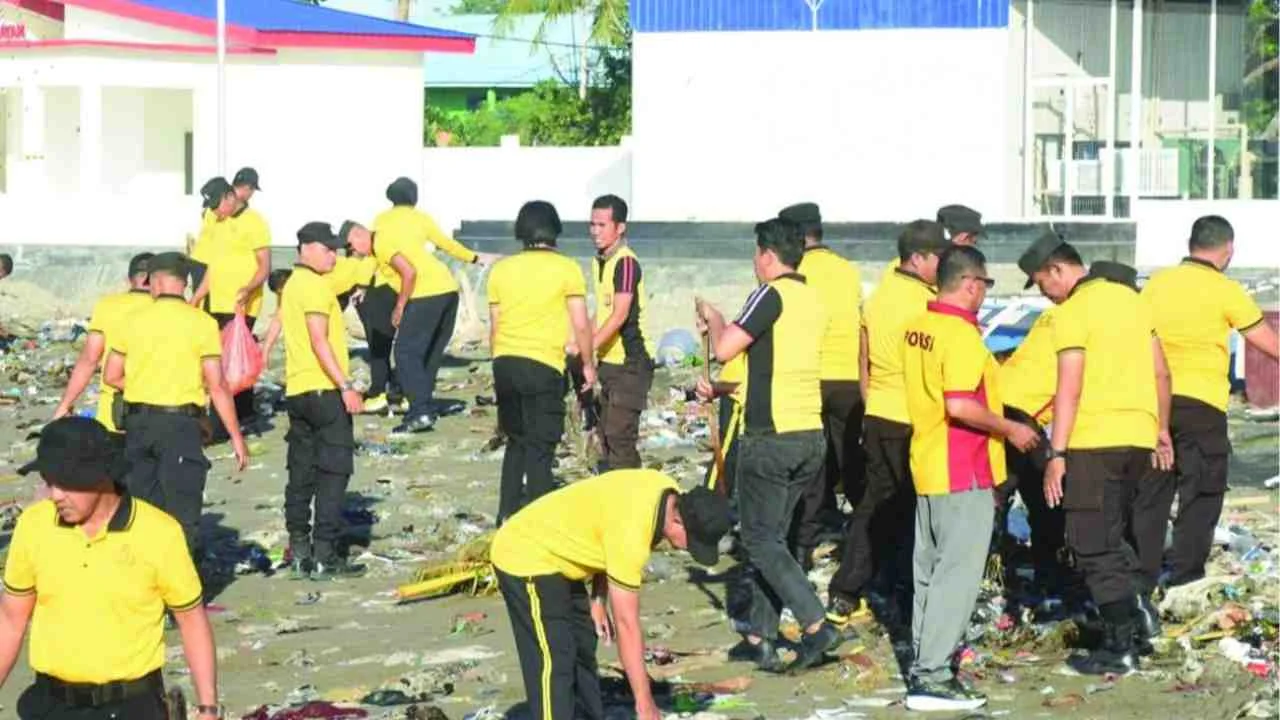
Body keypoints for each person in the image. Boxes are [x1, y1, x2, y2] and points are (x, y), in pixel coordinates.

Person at [0, 417, 220, 720]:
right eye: (50, 482)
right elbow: (10, 621)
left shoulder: (159, 533)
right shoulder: (34, 526)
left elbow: (191, 621)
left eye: (66, 482)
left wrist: (208, 708)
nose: (55, 495)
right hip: (51, 704)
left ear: (101, 476)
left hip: (132, 705)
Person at [696, 217, 840, 672]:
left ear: (766, 255)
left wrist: (716, 320)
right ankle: (760, 634)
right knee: (770, 539)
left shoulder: (770, 293)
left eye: (756, 255)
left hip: (771, 437)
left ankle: (816, 623)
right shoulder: (814, 298)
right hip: (809, 435)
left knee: (758, 540)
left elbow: (725, 350)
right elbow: (768, 365)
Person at [1026, 234, 1173, 675]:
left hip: (1094, 438)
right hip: (1139, 436)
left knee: (1091, 543)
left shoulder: (1073, 312)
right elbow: (1161, 371)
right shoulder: (1133, 302)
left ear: (1057, 270)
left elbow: (1068, 386)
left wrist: (1057, 451)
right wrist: (1162, 429)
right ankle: (1139, 618)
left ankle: (1118, 645)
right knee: (1116, 537)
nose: (1046, 295)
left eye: (1042, 283)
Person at [901, 246, 1040, 711]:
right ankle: (933, 677)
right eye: (985, 285)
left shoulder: (919, 326)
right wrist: (1012, 429)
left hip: (927, 461)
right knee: (955, 578)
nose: (984, 294)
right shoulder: (959, 335)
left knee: (929, 574)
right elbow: (959, 404)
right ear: (971, 284)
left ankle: (924, 662)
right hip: (962, 466)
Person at [490, 470, 730, 720]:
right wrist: (644, 703)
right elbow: (627, 624)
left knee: (582, 643)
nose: (687, 549)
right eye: (692, 543)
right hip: (524, 554)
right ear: (678, 521)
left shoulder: (667, 491)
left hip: (563, 554)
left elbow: (607, 526)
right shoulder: (634, 531)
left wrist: (598, 598)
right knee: (555, 660)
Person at [1138, 216, 1278, 592]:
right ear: (1228, 249)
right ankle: (1185, 577)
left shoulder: (1156, 283)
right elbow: (1266, 341)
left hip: (1153, 403)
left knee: (1153, 492)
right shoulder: (1225, 289)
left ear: (1191, 243)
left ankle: (1142, 578)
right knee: (1200, 493)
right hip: (1201, 405)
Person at [827, 220, 949, 628]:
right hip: (911, 417)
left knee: (878, 505)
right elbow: (931, 368)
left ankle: (848, 590)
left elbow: (863, 361)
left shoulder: (877, 298)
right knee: (909, 511)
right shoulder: (926, 305)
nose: (943, 266)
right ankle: (900, 594)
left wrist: (870, 404)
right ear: (918, 258)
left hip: (878, 411)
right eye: (939, 258)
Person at [104, 252, 249, 558]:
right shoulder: (202, 323)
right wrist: (236, 438)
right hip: (181, 425)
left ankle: (146, 587)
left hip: (138, 423)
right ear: (184, 284)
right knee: (182, 509)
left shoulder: (131, 321)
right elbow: (217, 385)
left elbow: (111, 375)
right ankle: (180, 591)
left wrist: (147, 387)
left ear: (153, 281)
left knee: (142, 509)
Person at [487, 201, 595, 523]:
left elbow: (495, 327)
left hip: (505, 362)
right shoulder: (567, 269)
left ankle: (506, 515)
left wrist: (498, 368)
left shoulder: (502, 269)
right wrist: (588, 365)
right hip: (543, 365)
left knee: (515, 442)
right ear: (555, 231)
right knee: (541, 447)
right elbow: (580, 323)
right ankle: (537, 523)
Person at [371, 177, 498, 434]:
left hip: (422, 291)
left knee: (406, 352)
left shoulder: (381, 221)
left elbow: (380, 256)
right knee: (429, 353)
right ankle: (425, 404)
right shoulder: (421, 218)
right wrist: (476, 257)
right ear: (414, 197)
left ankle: (420, 412)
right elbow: (446, 244)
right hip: (447, 288)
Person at [279, 222, 366, 579]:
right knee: (333, 471)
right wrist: (345, 384)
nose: (334, 255)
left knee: (301, 471)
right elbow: (319, 340)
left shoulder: (293, 285)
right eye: (328, 249)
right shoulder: (313, 286)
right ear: (307, 249)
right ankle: (324, 554)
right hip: (322, 391)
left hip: (298, 391)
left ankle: (299, 547)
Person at [783, 202, 863, 571]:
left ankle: (803, 547)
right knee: (852, 462)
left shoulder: (792, 271)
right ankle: (866, 541)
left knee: (812, 467)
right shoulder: (847, 270)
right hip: (849, 378)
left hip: (810, 377)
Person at [190, 176, 272, 431]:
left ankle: (226, 420)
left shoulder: (254, 222)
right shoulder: (219, 221)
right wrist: (196, 298)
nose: (215, 212)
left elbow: (264, 266)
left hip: (242, 304)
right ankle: (240, 412)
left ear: (229, 196)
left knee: (233, 359)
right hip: (218, 301)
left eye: (217, 206)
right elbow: (213, 269)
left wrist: (248, 289)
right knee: (222, 359)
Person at [53, 252, 155, 436]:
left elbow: (90, 359)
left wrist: (65, 405)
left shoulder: (108, 306)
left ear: (129, 279)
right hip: (164, 415)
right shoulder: (177, 311)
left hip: (115, 415)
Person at [587, 194, 654, 471]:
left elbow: (619, 315)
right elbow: (601, 313)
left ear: (620, 227)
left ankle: (632, 499)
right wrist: (579, 342)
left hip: (631, 361)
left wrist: (588, 348)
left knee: (619, 436)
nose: (595, 231)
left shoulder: (626, 263)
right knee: (603, 435)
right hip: (609, 362)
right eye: (592, 224)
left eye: (602, 225)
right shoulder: (600, 261)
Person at [338, 221, 402, 413]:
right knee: (378, 347)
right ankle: (389, 390)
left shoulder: (373, 253)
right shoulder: (360, 258)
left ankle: (379, 393)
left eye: (350, 245)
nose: (351, 249)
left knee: (379, 347)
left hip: (378, 295)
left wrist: (363, 285)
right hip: (369, 296)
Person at [877, 205, 982, 284]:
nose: (973, 248)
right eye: (973, 242)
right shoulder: (939, 269)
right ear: (963, 237)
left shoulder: (898, 264)